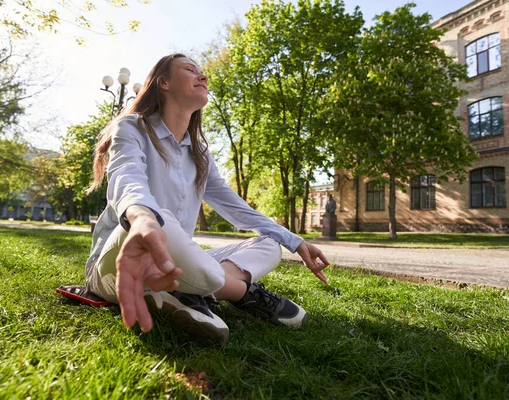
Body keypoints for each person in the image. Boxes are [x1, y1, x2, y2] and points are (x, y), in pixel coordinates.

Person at [85, 53, 329, 344]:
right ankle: (241, 294)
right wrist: (142, 217)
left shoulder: (199, 154)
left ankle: (185, 292)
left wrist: (295, 241)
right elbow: (128, 176)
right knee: (160, 218)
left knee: (269, 246)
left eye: (202, 72)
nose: (203, 77)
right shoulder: (132, 127)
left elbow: (236, 207)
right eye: (190, 70)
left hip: (174, 260)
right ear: (163, 82)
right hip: (122, 258)